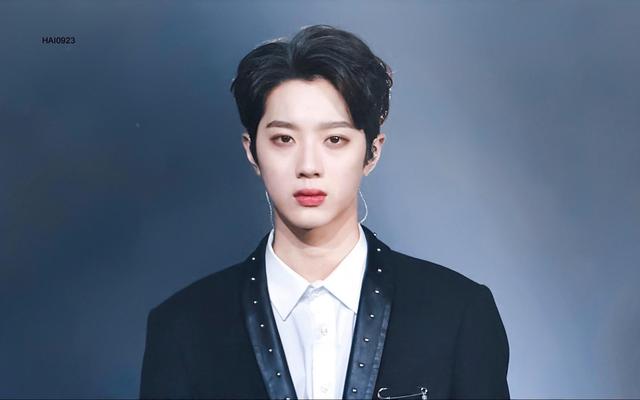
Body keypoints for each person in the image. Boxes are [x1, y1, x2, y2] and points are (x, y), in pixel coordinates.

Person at [140, 24, 510, 400]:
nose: (308, 165)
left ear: (372, 152)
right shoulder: (182, 327)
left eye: (335, 139)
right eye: (284, 139)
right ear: (252, 151)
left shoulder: (458, 313)